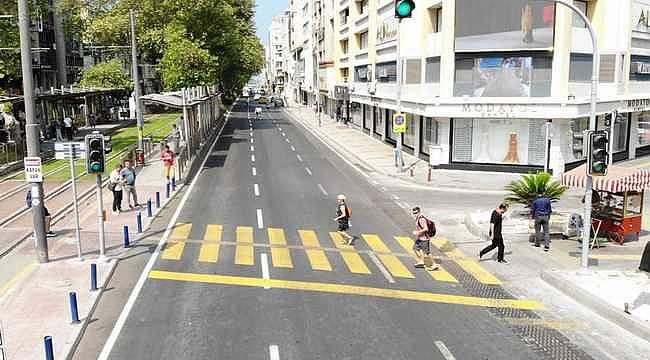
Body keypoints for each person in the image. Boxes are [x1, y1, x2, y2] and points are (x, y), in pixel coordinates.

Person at [411, 207, 440, 271]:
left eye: (416, 213)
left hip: (424, 239)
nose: (414, 214)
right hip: (420, 238)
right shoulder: (417, 218)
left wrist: (417, 232)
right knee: (416, 248)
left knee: (427, 253)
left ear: (419, 212)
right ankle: (421, 261)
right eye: (413, 213)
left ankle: (434, 265)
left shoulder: (421, 219)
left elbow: (426, 229)